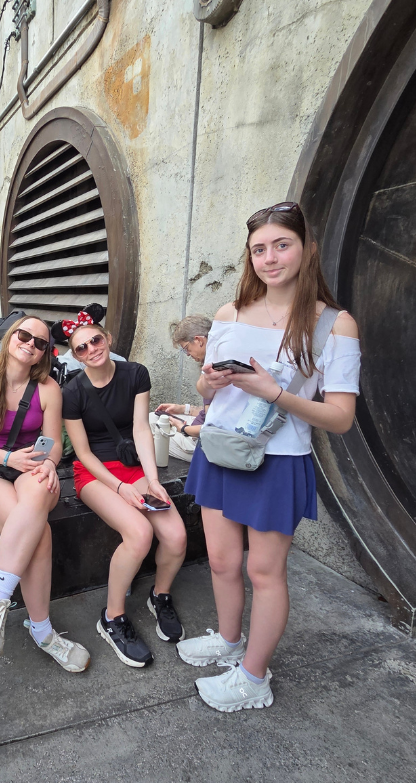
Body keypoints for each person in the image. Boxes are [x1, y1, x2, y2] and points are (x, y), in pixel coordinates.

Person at [178, 202, 360, 712]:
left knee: (264, 571)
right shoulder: (229, 313)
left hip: (277, 458)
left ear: (307, 248)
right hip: (217, 450)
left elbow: (341, 418)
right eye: (259, 248)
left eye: (282, 244)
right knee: (219, 559)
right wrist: (208, 382)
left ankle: (253, 677)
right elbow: (204, 387)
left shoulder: (334, 326)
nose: (270, 257)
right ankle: (230, 641)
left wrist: (274, 393)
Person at [0, 315, 90, 672]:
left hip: (33, 467)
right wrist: (7, 457)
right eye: (24, 335)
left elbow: (54, 445)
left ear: (45, 353)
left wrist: (50, 463)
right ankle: (42, 631)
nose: (31, 344)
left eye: (40, 342)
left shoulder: (48, 389)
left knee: (35, 501)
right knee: (39, 532)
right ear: (9, 338)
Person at [60, 307, 188, 668]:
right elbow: (82, 452)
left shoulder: (135, 374)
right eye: (81, 348)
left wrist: (151, 479)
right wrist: (119, 487)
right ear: (75, 355)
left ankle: (159, 595)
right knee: (139, 533)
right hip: (96, 474)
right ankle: (113, 617)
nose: (91, 350)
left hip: (134, 467)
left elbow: (140, 429)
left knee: (176, 537)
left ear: (108, 339)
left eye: (95, 341)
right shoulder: (72, 392)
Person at [151, 314, 213, 461]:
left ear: (199, 340)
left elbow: (213, 427)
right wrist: (183, 409)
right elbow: (211, 410)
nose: (187, 355)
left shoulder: (213, 372)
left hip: (201, 443)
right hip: (198, 430)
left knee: (145, 431)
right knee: (153, 417)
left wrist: (183, 428)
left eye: (186, 348)